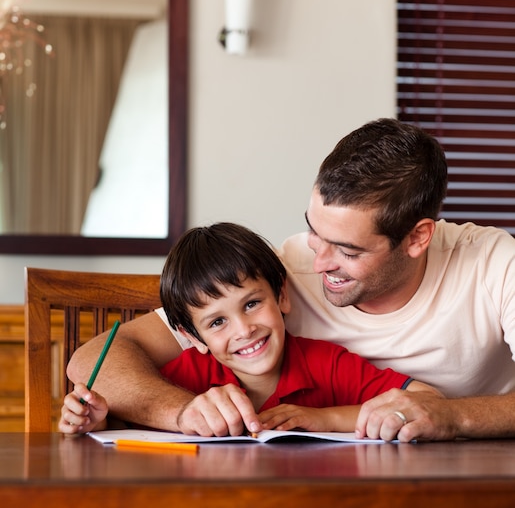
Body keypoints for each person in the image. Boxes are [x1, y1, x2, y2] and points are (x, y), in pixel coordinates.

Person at [65, 118, 515, 442]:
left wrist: (453, 417)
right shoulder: (278, 273)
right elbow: (93, 362)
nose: (319, 264)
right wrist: (181, 411)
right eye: (316, 232)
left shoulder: (495, 263)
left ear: (418, 238)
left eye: (349, 250)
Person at [60, 223, 440, 439]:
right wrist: (96, 420)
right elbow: (126, 425)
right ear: (192, 337)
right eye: (217, 322)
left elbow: (428, 400)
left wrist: (327, 418)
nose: (244, 329)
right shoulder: (185, 380)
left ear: (282, 297)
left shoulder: (328, 363)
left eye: (252, 303)